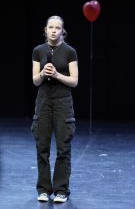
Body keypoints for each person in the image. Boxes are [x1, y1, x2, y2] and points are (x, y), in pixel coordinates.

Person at [31, 15, 78, 203]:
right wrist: (43, 73)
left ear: (62, 31)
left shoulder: (69, 51)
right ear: (45, 29)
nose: (53, 30)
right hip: (43, 101)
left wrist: (57, 74)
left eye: (57, 28)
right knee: (42, 146)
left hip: (62, 102)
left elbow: (74, 81)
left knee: (63, 147)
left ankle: (61, 190)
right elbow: (35, 81)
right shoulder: (38, 51)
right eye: (51, 27)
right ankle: (43, 189)